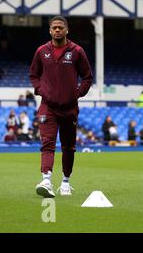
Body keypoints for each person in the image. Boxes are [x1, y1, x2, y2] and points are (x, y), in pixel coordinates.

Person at [30, 15, 93, 197]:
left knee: (68, 147)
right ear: (50, 31)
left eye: (60, 27)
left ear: (67, 30)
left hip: (69, 108)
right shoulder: (42, 51)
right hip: (48, 107)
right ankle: (46, 180)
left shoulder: (77, 51)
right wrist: (40, 89)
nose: (57, 30)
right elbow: (34, 75)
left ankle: (65, 181)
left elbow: (87, 77)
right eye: (54, 28)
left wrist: (77, 93)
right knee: (47, 143)